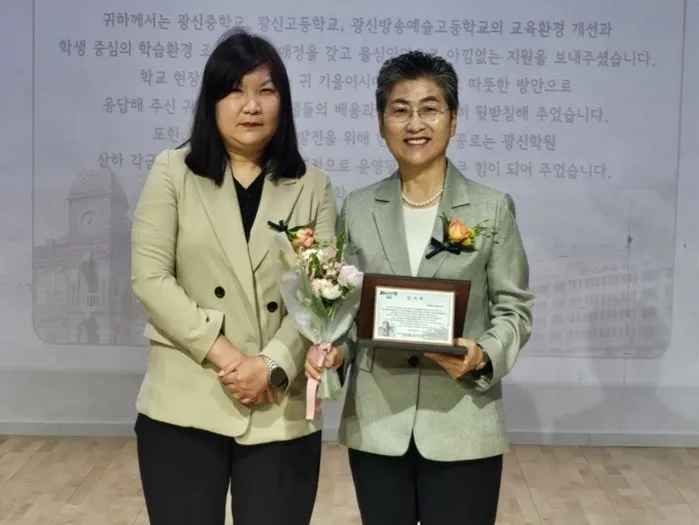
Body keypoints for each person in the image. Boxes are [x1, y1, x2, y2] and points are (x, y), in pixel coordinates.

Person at [305, 51, 535, 524]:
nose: (415, 124)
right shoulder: (359, 208)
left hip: (462, 422)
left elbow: (514, 308)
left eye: (430, 109)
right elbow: (347, 312)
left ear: (453, 120)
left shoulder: (490, 209)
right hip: (377, 426)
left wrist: (483, 354)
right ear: (381, 123)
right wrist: (335, 353)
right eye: (400, 110)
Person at [130, 29, 337, 525]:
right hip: (186, 396)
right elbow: (150, 277)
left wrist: (270, 364)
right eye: (234, 90)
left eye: (266, 90)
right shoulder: (172, 171)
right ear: (211, 101)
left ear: (283, 102)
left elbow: (323, 293)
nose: (251, 105)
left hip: (278, 404)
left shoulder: (312, 185)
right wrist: (226, 356)